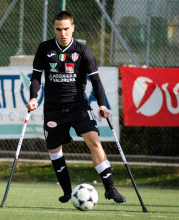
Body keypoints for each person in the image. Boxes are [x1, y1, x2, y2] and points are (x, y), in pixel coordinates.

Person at [26, 11, 126, 204]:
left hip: (78, 106)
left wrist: (102, 104)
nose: (63, 33)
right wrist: (33, 98)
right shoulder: (44, 49)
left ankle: (110, 189)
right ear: (54, 29)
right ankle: (66, 191)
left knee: (94, 141)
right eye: (58, 29)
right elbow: (36, 77)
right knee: (55, 149)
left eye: (66, 29)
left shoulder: (82, 51)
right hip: (54, 109)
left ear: (72, 28)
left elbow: (96, 81)